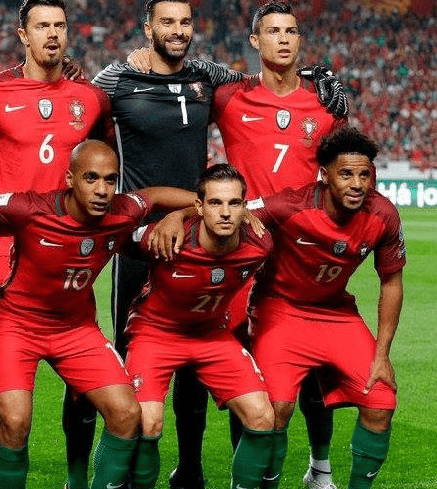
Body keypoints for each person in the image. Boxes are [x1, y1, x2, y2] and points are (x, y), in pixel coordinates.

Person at [92, 2, 346, 486]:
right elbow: (78, 105)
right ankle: (119, 474)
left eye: (185, 21)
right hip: (151, 236)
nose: (177, 30)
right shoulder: (124, 80)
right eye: (166, 22)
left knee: (213, 358)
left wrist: (319, 77)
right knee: (130, 370)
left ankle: (198, 470)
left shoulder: (210, 82)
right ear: (147, 28)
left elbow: (261, 78)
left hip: (224, 238)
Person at [0, 2, 114, 485]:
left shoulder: (90, 97)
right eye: (42, 26)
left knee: (82, 378)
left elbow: (104, 157)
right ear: (23, 34)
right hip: (4, 250)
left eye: (59, 25)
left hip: (70, 253)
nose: (52, 34)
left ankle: (77, 478)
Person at [0, 140, 196, 489]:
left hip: (75, 329)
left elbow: (155, 195)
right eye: (91, 178)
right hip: (16, 327)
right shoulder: (32, 208)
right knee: (16, 420)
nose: (101, 190)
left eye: (110, 180)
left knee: (127, 414)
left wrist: (184, 213)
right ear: (70, 179)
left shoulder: (122, 211)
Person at [210, 4, 347, 487]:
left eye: (291, 31)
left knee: (314, 367)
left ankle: (320, 471)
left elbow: (342, 171)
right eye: (272, 31)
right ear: (255, 41)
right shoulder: (229, 97)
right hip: (243, 249)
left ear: (300, 40)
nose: (283, 39)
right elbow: (181, 88)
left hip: (303, 254)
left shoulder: (323, 105)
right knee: (246, 371)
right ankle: (250, 477)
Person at [247, 126, 404, 489]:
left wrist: (382, 355)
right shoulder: (290, 205)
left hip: (335, 313)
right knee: (275, 409)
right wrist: (178, 215)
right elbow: (233, 212)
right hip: (281, 309)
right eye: (346, 174)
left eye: (364, 175)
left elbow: (392, 282)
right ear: (324, 175)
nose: (357, 184)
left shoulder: (383, 215)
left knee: (381, 400)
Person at [123, 164, 275, 489]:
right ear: (199, 206)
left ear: (245, 208)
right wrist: (174, 216)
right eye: (216, 203)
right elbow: (112, 237)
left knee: (262, 416)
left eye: (234, 203)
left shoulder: (259, 245)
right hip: (155, 334)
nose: (225, 212)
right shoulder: (165, 238)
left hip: (211, 336)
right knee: (148, 424)